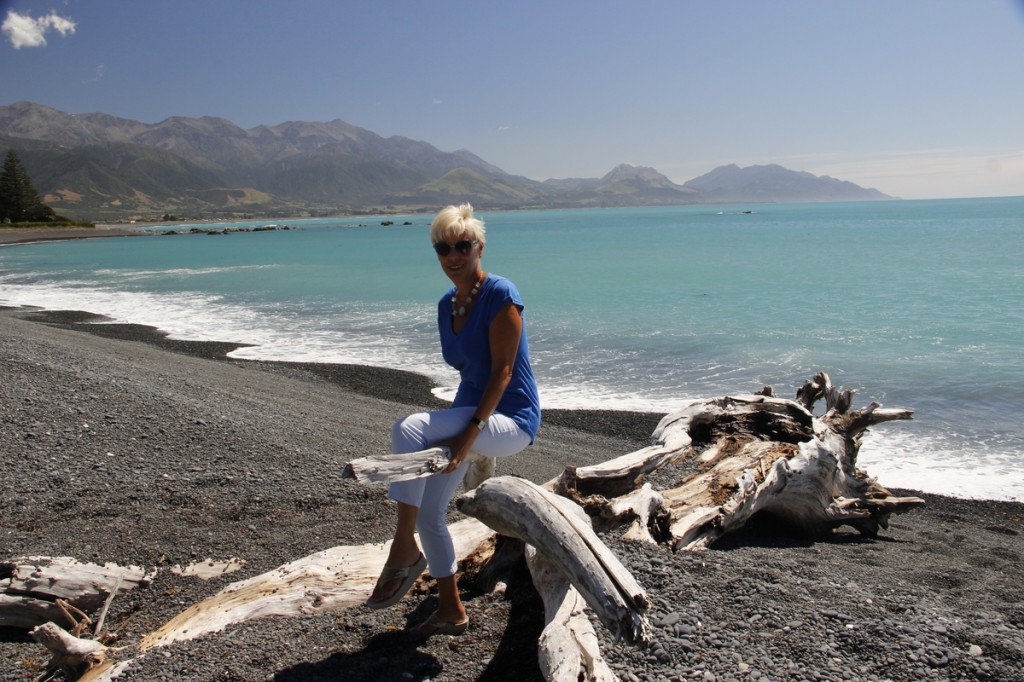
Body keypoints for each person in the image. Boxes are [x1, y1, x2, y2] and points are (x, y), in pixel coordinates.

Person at [365, 203, 541, 637]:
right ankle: (451, 610)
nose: (453, 256)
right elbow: (468, 373)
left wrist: (468, 435)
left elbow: (502, 373)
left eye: (463, 246)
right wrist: (462, 430)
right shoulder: (448, 305)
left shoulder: (501, 292)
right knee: (430, 512)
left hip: (509, 419)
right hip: (470, 416)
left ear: (479, 247)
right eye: (443, 249)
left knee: (407, 428)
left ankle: (402, 548)